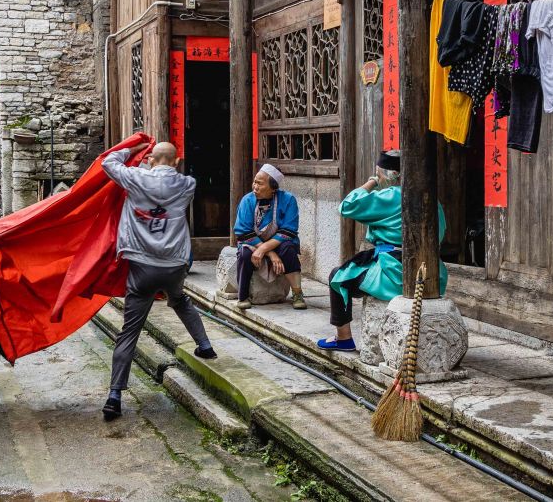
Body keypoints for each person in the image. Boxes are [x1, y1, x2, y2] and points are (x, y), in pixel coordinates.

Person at [101, 140, 216, 421]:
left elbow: (108, 162)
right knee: (179, 299)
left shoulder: (135, 178)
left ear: (151, 159)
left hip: (142, 265)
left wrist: (133, 150)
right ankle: (205, 346)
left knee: (130, 331)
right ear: (176, 162)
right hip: (175, 264)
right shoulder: (187, 184)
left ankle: (115, 395)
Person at [317, 150, 447, 352]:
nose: (377, 175)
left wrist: (373, 182)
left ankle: (343, 338)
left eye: (379, 172)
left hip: (394, 273)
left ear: (390, 174)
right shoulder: (432, 199)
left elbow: (347, 205)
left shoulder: (391, 195)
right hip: (432, 273)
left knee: (337, 276)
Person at [233, 164, 306, 311]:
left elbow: (289, 231)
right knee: (245, 254)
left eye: (260, 183)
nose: (255, 187)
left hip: (279, 241)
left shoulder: (288, 200)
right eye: (255, 182)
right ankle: (243, 296)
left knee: (288, 249)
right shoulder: (247, 200)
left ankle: (297, 293)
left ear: (273, 188)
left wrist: (265, 248)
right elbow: (243, 232)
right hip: (253, 242)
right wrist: (270, 253)